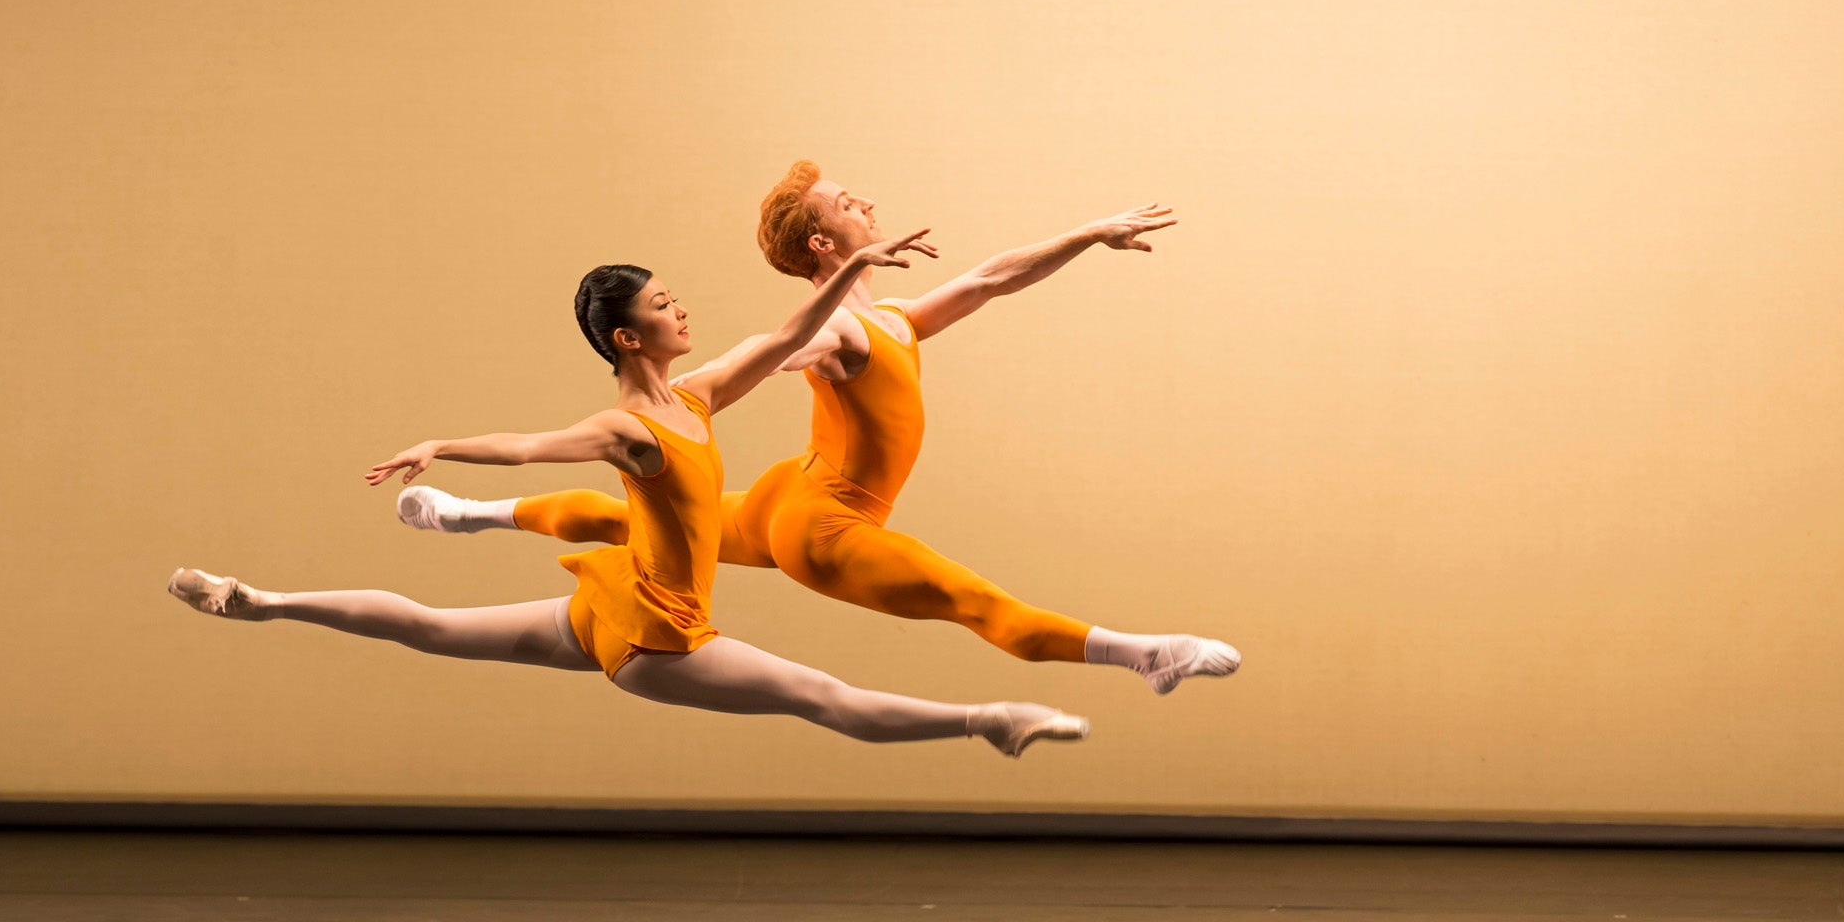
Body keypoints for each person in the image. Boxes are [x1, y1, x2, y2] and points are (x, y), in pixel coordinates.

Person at [168, 234, 1089, 758]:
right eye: (662, 305)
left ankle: (266, 604)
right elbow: (530, 446)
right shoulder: (629, 431)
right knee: (821, 696)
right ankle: (988, 721)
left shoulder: (699, 395)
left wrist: (854, 270)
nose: (681, 312)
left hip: (606, 611)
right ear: (624, 338)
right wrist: (443, 445)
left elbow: (786, 333)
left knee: (431, 625)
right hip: (661, 640)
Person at [399, 161, 1240, 696]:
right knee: (968, 598)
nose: (867, 201)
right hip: (824, 527)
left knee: (641, 513)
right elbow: (776, 348)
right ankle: (1141, 655)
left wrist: (1088, 235)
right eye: (848, 201)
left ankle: (464, 514)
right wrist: (673, 395)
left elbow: (991, 279)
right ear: (822, 239)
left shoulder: (896, 319)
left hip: (782, 497)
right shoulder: (838, 332)